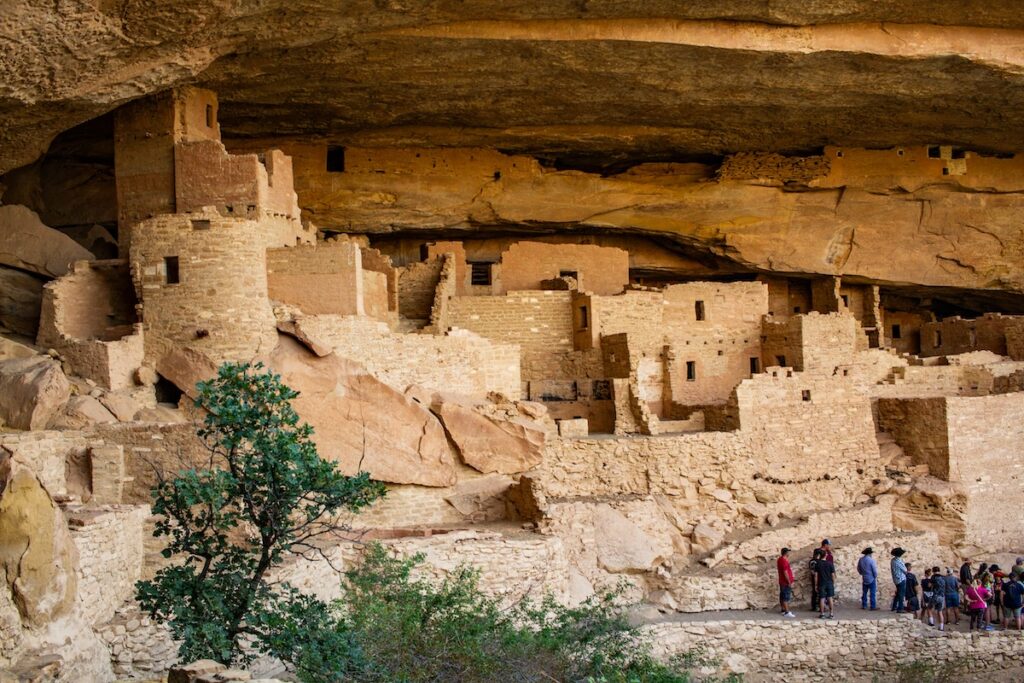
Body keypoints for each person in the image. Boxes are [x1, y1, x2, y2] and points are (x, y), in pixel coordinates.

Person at [777, 547, 796, 618]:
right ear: (786, 553)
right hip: (785, 582)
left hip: (782, 581)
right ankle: (787, 612)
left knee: (782, 595)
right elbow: (785, 572)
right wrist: (789, 582)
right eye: (788, 552)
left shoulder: (780, 559)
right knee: (785, 597)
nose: (789, 553)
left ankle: (783, 610)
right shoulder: (784, 561)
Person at [817, 549, 836, 619]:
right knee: (830, 598)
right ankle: (831, 613)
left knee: (822, 598)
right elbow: (833, 575)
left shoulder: (818, 564)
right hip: (829, 582)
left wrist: (816, 584)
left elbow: (816, 575)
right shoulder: (830, 563)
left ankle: (822, 614)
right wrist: (833, 582)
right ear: (825, 555)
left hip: (821, 582)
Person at [890, 547, 908, 613]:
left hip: (896, 579)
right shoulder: (898, 561)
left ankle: (894, 606)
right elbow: (905, 570)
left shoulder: (892, 560)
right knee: (901, 594)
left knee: (898, 593)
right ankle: (900, 608)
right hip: (901, 579)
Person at [929, 565, 946, 631]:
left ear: (933, 571)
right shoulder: (943, 577)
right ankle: (941, 627)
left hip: (935, 595)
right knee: (940, 611)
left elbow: (929, 585)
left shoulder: (933, 577)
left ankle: (931, 622)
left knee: (929, 608)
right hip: (942, 596)